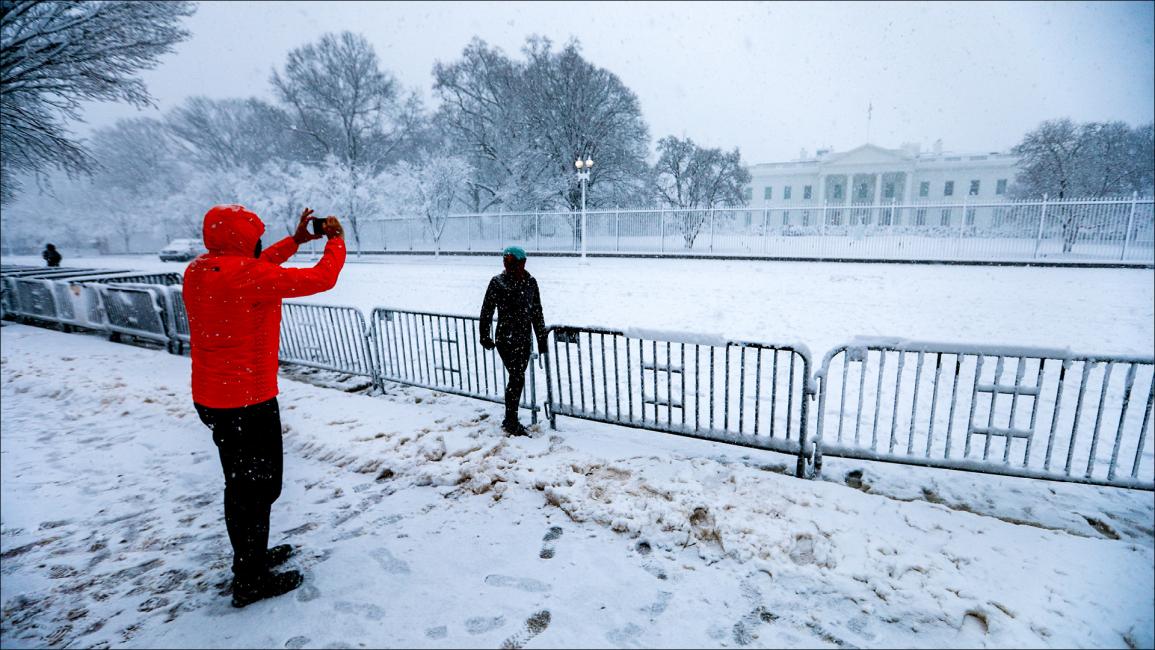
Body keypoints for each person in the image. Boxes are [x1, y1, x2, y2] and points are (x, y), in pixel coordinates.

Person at [184, 204, 345, 608]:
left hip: (214, 399)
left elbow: (254, 263)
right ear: (244, 239)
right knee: (257, 489)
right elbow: (322, 278)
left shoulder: (200, 271)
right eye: (257, 236)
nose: (260, 242)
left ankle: (251, 558)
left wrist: (294, 241)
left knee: (242, 486)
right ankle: (250, 578)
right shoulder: (248, 276)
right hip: (247, 402)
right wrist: (335, 240)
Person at [479, 245, 547, 436]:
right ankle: (511, 420)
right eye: (505, 260)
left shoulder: (530, 283)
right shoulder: (497, 282)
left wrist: (541, 340)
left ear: (522, 262)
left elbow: (537, 312)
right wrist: (484, 335)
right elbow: (486, 311)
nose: (507, 265)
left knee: (517, 378)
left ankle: (510, 418)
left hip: (524, 339)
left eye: (511, 261)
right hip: (506, 339)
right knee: (517, 377)